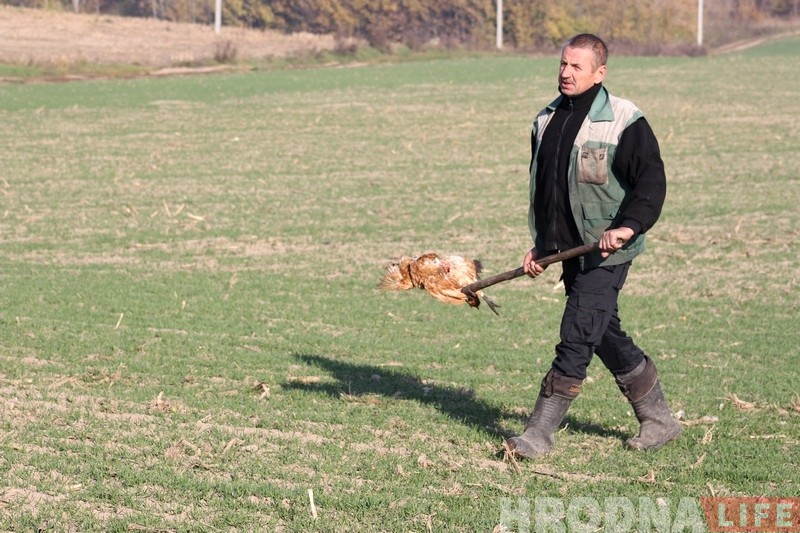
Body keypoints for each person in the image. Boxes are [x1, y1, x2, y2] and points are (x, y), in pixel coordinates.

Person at [506, 33, 681, 458]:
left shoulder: (625, 120)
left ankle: (538, 434)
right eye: (562, 64)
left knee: (578, 333)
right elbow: (547, 192)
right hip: (568, 251)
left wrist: (628, 227)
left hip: (607, 249)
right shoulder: (545, 119)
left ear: (599, 73)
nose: (565, 73)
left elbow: (651, 182)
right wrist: (541, 246)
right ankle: (658, 419)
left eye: (576, 67)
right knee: (603, 331)